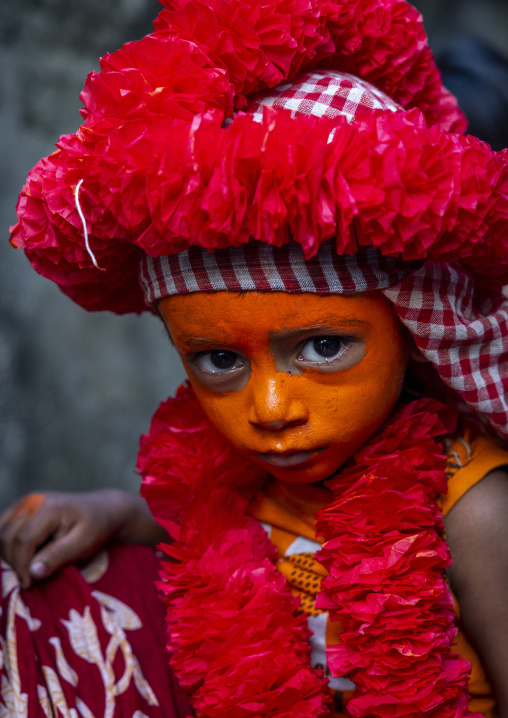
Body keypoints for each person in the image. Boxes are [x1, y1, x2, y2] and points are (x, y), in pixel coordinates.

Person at [2, 0, 508, 716]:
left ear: (411, 327)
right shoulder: (242, 475)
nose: (271, 410)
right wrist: (112, 510)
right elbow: (219, 524)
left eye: (325, 346)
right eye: (216, 361)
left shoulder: (474, 509)